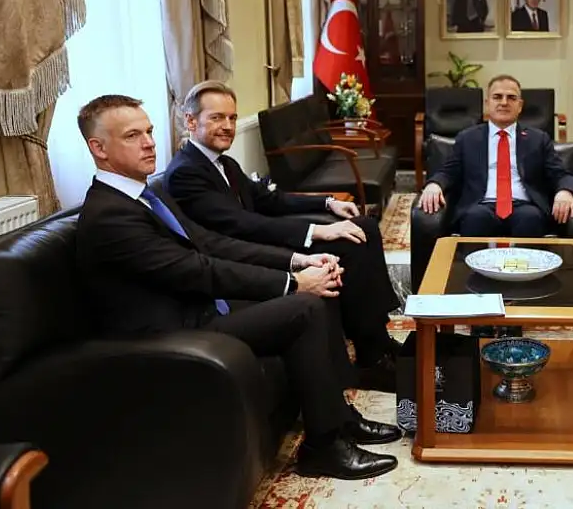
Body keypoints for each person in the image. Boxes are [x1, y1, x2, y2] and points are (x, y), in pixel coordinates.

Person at [74, 94, 400, 481]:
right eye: (133, 135)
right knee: (305, 304)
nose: (149, 143)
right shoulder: (109, 214)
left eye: (149, 131)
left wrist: (299, 261)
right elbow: (196, 269)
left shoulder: (148, 193)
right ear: (99, 148)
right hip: (171, 332)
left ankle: (339, 418)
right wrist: (292, 283)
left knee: (318, 292)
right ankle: (323, 448)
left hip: (201, 306)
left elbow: (211, 244)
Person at [163, 81, 401, 392]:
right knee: (348, 243)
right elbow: (240, 224)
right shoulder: (185, 172)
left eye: (232, 118)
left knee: (363, 226)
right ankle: (371, 358)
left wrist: (327, 203)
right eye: (217, 117)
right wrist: (318, 229)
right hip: (243, 256)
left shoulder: (224, 163)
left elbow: (269, 200)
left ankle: (377, 338)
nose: (228, 126)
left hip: (258, 240)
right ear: (191, 121)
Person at [418, 74, 573, 237]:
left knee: (530, 219)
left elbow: (561, 174)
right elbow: (448, 172)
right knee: (476, 218)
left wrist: (565, 191)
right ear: (487, 103)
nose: (504, 102)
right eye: (497, 97)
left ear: (520, 106)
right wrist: (434, 184)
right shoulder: (467, 138)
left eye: (511, 98)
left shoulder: (538, 139)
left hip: (525, 205)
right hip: (481, 204)